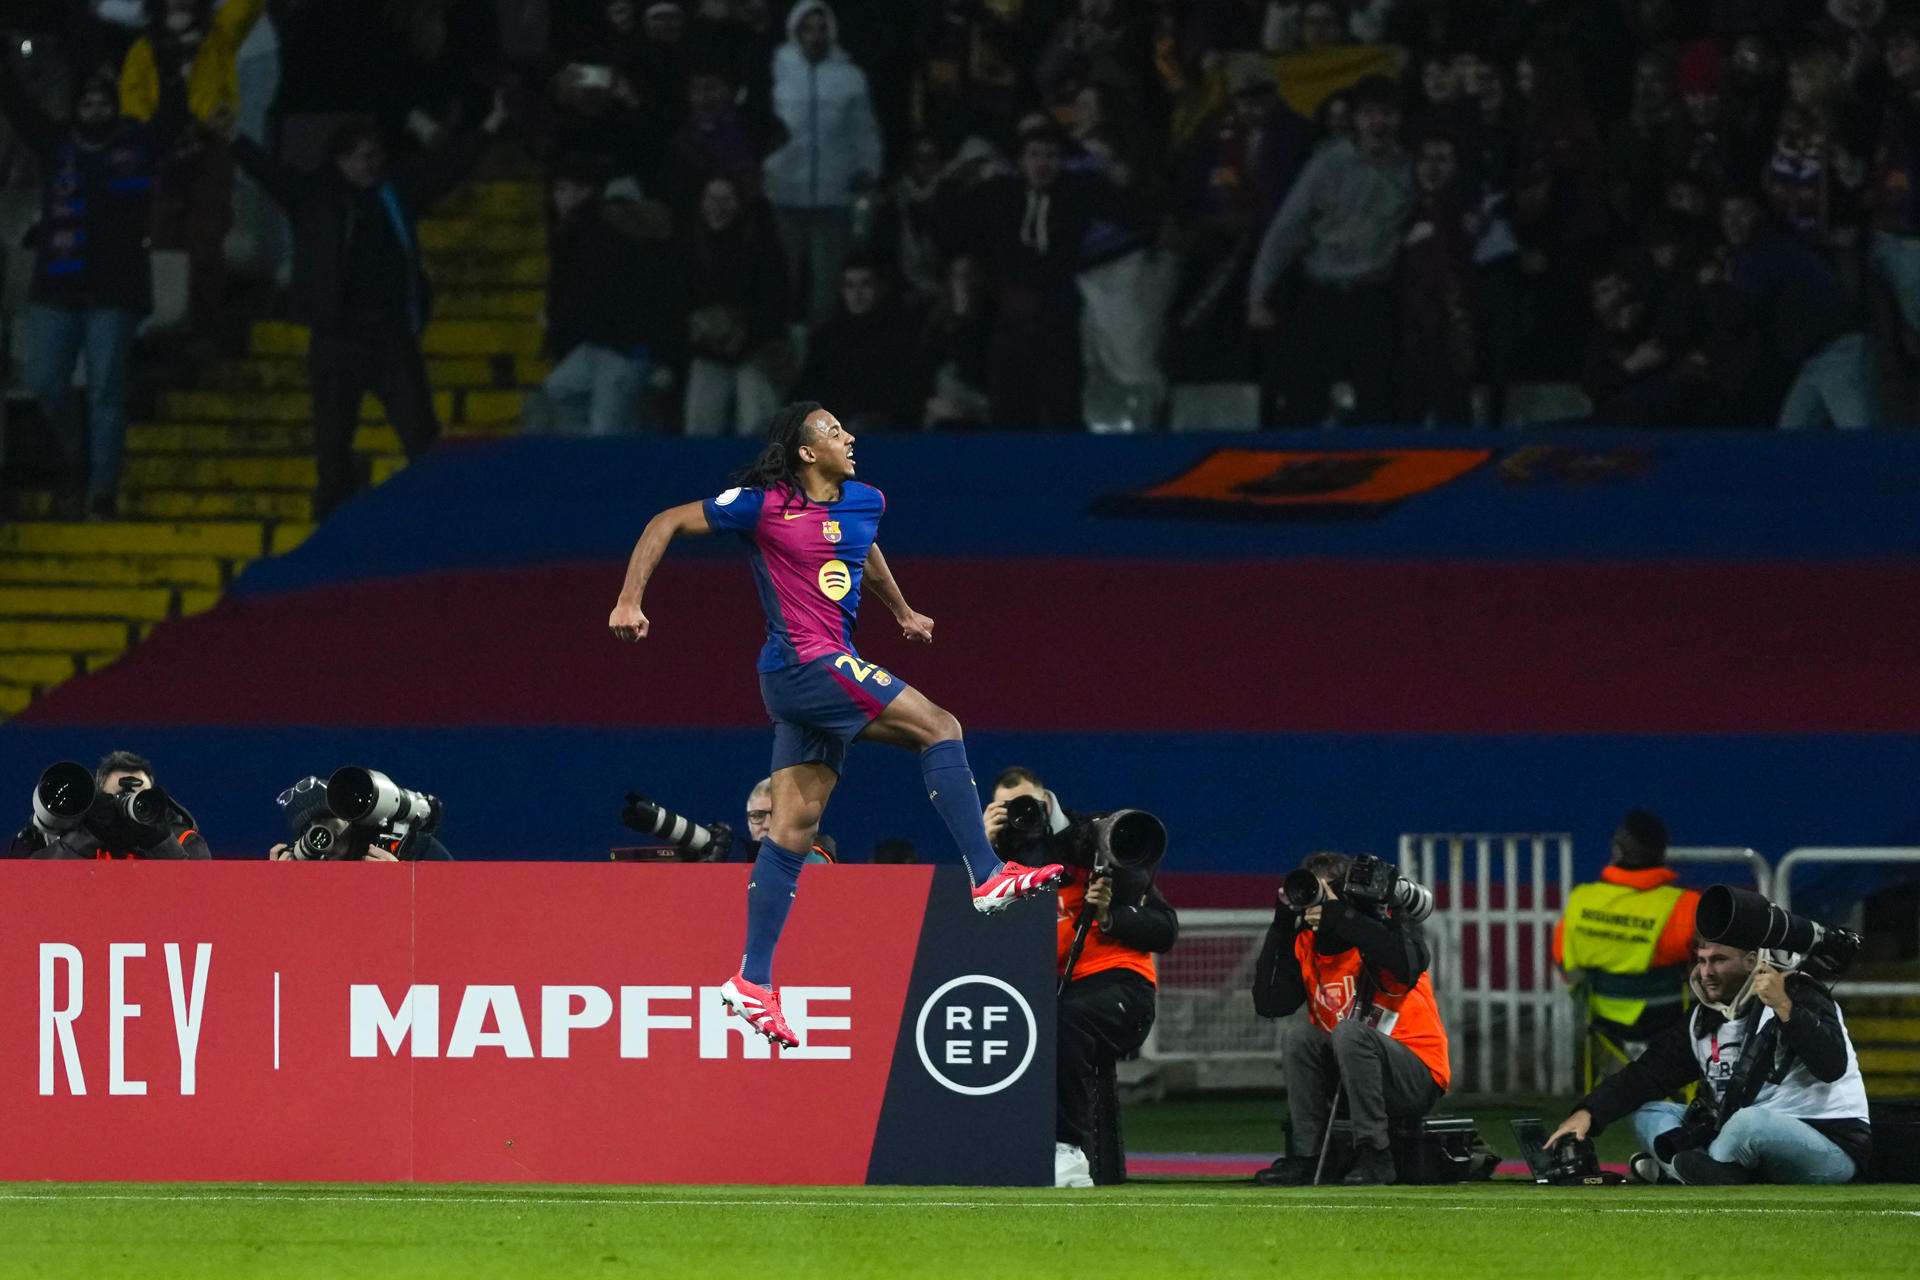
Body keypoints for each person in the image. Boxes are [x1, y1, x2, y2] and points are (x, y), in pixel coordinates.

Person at [606, 401, 1067, 1046]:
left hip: (801, 682)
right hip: (809, 666)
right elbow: (664, 522)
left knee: (793, 829)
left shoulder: (865, 499)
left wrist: (902, 611)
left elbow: (864, 550)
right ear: (804, 451)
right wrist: (630, 598)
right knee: (941, 725)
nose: (848, 436)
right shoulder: (761, 504)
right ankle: (988, 874)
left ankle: (753, 981)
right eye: (831, 431)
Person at [229, 91, 512, 518]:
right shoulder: (316, 196)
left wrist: (489, 128)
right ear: (340, 159)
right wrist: (232, 136)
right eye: (362, 157)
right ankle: (332, 523)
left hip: (389, 333)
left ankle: (439, 516)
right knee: (332, 441)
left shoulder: (394, 192)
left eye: (375, 155)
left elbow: (447, 170)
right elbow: (269, 172)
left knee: (420, 433)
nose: (371, 164)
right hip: (337, 335)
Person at [0, 63, 183, 517]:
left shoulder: (137, 143)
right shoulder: (56, 144)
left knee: (106, 388)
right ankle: (76, 452)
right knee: (43, 380)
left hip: (115, 288)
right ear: (75, 107)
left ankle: (102, 488)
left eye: (103, 102)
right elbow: (19, 106)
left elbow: (173, 117)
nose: (96, 110)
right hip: (56, 285)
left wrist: (169, 64)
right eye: (87, 102)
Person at [1546, 937, 1871, 1185]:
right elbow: (1648, 1073)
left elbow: (1831, 1066)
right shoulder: (1704, 1019)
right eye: (1701, 961)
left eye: (1718, 960)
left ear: (1750, 962)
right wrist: (1589, 1112)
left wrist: (1784, 1006)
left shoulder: (1800, 995)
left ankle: (1683, 1170)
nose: (1706, 972)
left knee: (1748, 1123)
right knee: (1650, 1111)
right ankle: (1702, 1172)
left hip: (1829, 1146)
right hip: (1734, 1139)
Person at [986, 766, 1176, 1189]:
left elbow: (1165, 930)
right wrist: (979, 844)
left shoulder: (1091, 852)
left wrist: (1110, 914)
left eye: (1030, 805)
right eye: (1009, 808)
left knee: (1060, 1019)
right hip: (1047, 992)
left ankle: (1067, 1152)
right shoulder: (997, 866)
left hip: (1118, 988)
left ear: (1048, 802)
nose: (1023, 814)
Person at [1251, 851, 1449, 1186]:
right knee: (1298, 1036)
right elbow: (1271, 1003)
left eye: (1324, 892)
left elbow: (1406, 967)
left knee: (1349, 1033)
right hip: (1351, 1074)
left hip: (1415, 1073)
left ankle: (1375, 1156)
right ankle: (1309, 1158)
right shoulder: (1306, 943)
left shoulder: (1377, 931)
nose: (1316, 902)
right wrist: (1282, 925)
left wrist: (1344, 918)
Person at [1247, 75, 1412, 425]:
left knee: (1377, 398)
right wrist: (1259, 295)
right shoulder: (1328, 165)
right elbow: (1285, 231)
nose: (1378, 123)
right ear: (1356, 118)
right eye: (1369, 113)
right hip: (1323, 294)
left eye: (1387, 113)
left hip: (1374, 297)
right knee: (1304, 396)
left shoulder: (1409, 168)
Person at [119, 0, 267, 325]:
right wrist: (153, 130)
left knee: (207, 234)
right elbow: (132, 95)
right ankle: (163, 315)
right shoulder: (146, 45)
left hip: (210, 144)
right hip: (163, 149)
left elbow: (246, 8)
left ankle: (202, 320)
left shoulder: (218, 36)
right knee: (162, 233)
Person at [535, 159, 679, 434]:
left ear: (587, 191)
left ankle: (597, 468)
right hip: (614, 345)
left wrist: (556, 324)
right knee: (559, 394)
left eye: (565, 189)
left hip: (621, 347)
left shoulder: (594, 232)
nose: (560, 198)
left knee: (605, 427)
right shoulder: (623, 233)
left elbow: (591, 291)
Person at [762, 0, 883, 323]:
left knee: (827, 286)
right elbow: (757, 122)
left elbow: (865, 131)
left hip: (833, 198)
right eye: (808, 28)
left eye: (821, 27)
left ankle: (821, 352)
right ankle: (779, 352)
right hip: (784, 195)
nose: (815, 35)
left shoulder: (850, 77)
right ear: (794, 30)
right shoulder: (774, 70)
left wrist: (868, 170)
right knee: (780, 280)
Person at [1554, 809, 1700, 1053]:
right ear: (1662, 853)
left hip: (1603, 1018)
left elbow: (1564, 963)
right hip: (1669, 1017)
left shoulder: (1581, 900)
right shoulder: (1686, 906)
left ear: (1616, 851)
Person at [677, 174, 791, 435]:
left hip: (756, 349)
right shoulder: (689, 246)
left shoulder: (762, 246)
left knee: (756, 425)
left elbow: (774, 303)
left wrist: (742, 331)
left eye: (726, 199)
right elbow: (678, 301)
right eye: (711, 199)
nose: (718, 207)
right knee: (699, 427)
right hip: (706, 349)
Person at [794, 256, 918, 431]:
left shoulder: (899, 336)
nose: (857, 293)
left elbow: (903, 392)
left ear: (881, 287)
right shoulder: (826, 337)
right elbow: (809, 384)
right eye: (850, 285)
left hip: (881, 428)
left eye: (865, 284)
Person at [20, 752, 210, 860]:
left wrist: (159, 841)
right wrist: (86, 838)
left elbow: (199, 894)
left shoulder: (182, 838)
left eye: (139, 797)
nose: (124, 803)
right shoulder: (72, 832)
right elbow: (28, 882)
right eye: (115, 797)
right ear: (98, 797)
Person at [268, 773, 452, 861]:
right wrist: (282, 884)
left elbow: (457, 905)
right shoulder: (305, 867)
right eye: (308, 828)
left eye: (325, 820)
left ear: (348, 819)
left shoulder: (413, 848)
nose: (318, 831)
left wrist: (402, 882)